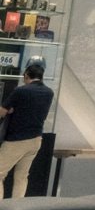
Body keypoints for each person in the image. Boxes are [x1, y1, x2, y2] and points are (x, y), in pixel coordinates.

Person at [0, 59, 54, 198]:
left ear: (26, 75)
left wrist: (10, 110)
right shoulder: (49, 92)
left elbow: (2, 111)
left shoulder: (20, 91)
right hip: (36, 139)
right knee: (22, 176)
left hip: (17, 140)